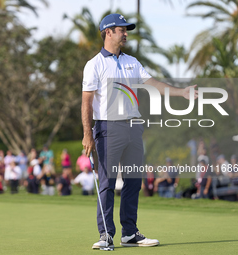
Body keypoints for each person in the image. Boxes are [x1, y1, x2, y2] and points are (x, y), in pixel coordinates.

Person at [81, 13, 197, 249]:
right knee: (108, 183)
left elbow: (153, 84)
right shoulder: (94, 65)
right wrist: (86, 132)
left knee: (133, 181)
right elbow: (86, 102)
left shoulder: (132, 62)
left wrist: (181, 92)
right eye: (122, 29)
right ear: (108, 32)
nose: (126, 33)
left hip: (133, 127)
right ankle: (106, 235)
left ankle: (130, 233)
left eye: (126, 30)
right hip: (107, 128)